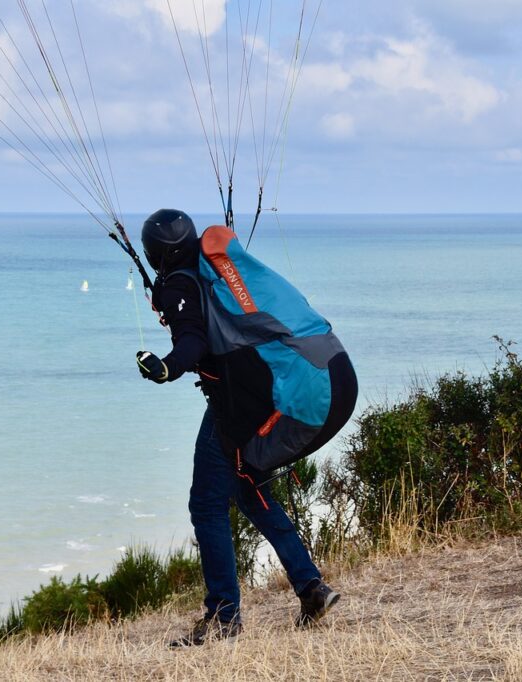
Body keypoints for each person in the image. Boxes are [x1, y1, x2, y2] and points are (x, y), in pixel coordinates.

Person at [135, 208, 358, 647]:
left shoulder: (179, 283)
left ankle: (224, 618)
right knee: (248, 485)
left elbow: (193, 339)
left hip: (275, 399)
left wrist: (167, 368)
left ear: (154, 254)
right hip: (331, 373)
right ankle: (311, 589)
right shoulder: (219, 269)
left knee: (207, 504)